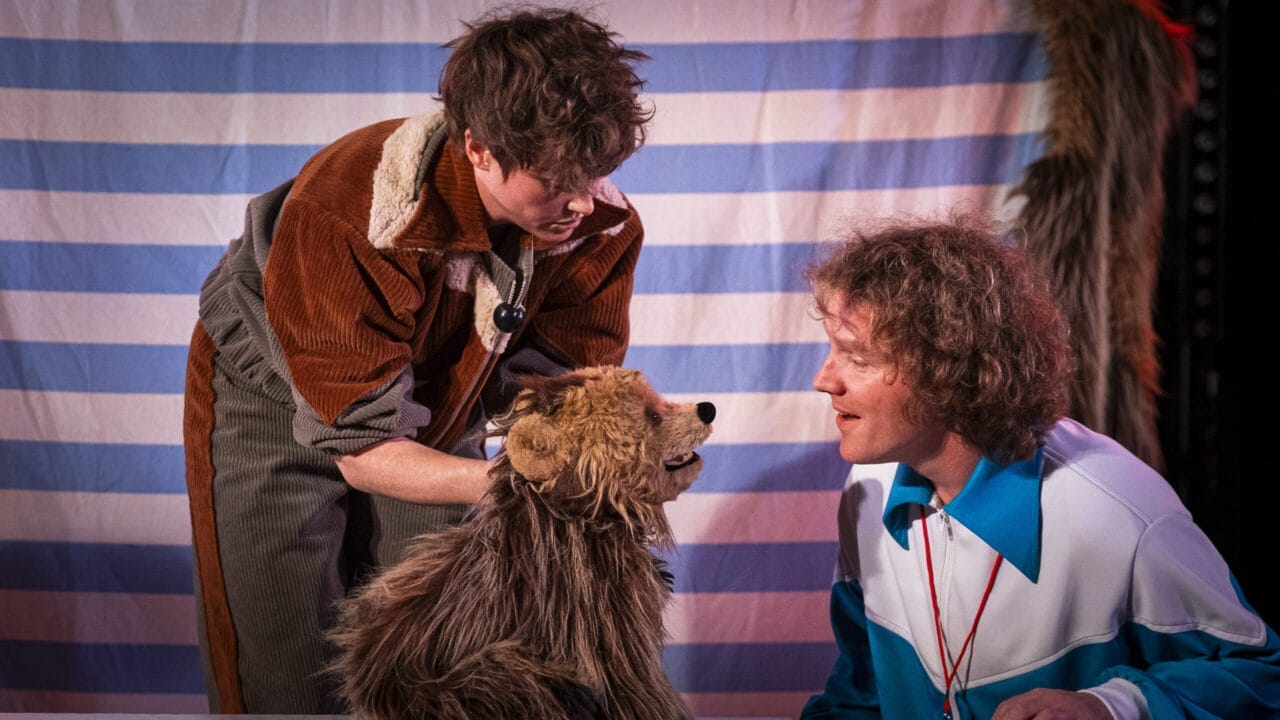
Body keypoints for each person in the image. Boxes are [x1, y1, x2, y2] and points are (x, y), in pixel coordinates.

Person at [182, 7, 652, 714]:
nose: (583, 202)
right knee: (283, 653)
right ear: (478, 148)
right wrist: (520, 484)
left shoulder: (596, 225)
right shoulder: (350, 210)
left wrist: (608, 449)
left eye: (596, 172)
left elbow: (555, 393)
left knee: (438, 647)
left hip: (446, 395)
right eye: (556, 179)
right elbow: (366, 451)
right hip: (271, 399)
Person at [799, 214, 1280, 719]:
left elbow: (1261, 676)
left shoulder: (1118, 513)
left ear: (947, 367)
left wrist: (1109, 707)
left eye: (858, 357)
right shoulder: (867, 489)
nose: (823, 379)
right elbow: (863, 694)